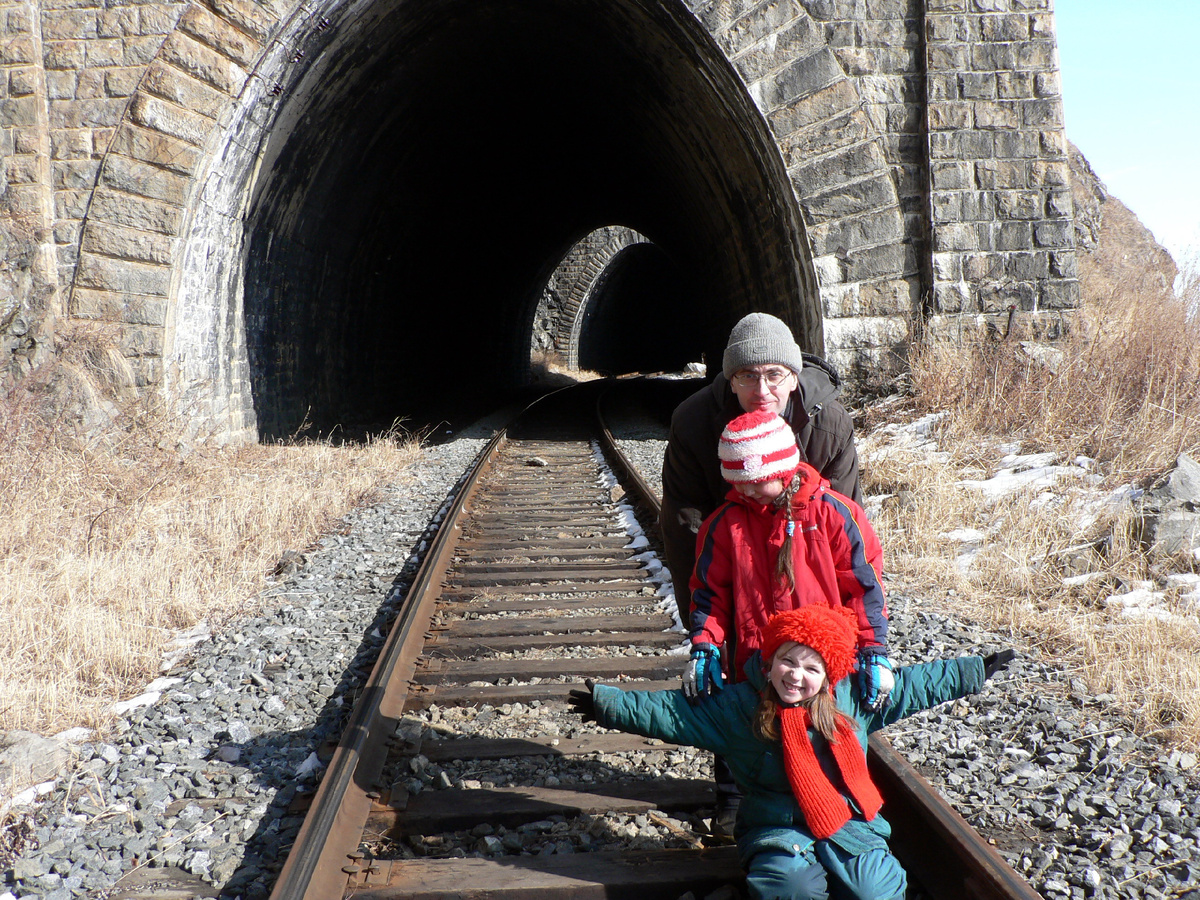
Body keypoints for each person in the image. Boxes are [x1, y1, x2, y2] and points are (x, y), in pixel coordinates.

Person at [568, 605, 1016, 900]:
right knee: (789, 888)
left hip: (848, 823)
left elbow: (913, 687)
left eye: (811, 667)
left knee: (873, 893)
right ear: (769, 662)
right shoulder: (741, 707)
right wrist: (608, 703)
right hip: (777, 826)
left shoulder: (851, 701)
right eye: (787, 660)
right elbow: (673, 712)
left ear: (828, 675)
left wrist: (974, 669)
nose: (795, 676)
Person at [681, 408, 892, 837]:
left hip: (824, 666)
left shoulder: (834, 515)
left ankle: (842, 820)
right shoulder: (725, 524)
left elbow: (864, 590)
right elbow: (709, 593)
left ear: (784, 468)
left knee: (827, 742)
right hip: (758, 664)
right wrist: (704, 643)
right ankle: (757, 815)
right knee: (759, 745)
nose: (751, 493)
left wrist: (874, 652)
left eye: (758, 482)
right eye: (739, 485)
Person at [660, 312, 862, 635]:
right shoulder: (693, 425)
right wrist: (705, 635)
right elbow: (686, 533)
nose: (763, 390)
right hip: (738, 564)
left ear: (793, 378)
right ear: (731, 380)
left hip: (809, 569)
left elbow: (849, 537)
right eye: (748, 376)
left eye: (774, 375)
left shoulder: (829, 428)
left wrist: (852, 637)